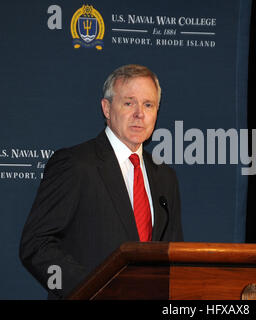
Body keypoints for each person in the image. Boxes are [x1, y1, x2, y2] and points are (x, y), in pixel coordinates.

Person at [19, 64, 184, 299]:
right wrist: (93, 288)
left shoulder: (165, 176)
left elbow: (172, 253)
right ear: (106, 108)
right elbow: (36, 245)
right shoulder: (75, 164)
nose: (140, 113)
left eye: (148, 105)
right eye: (129, 103)